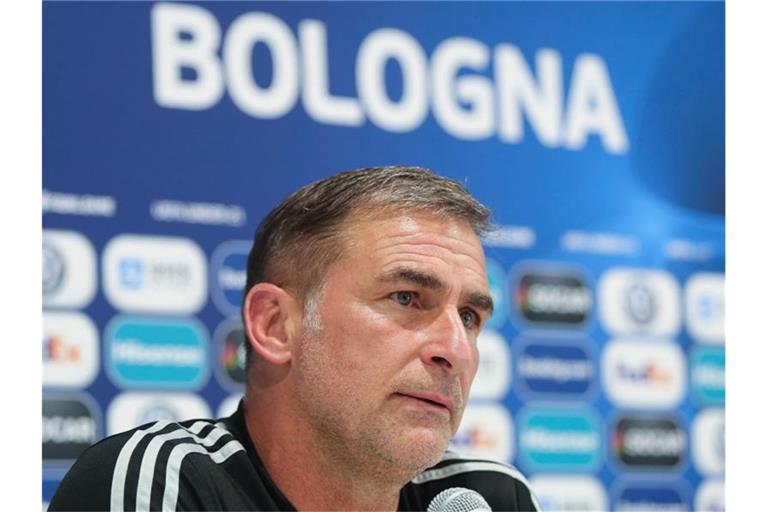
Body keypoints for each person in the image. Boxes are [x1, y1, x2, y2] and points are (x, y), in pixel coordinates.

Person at [49, 166, 540, 511]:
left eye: (470, 317)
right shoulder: (167, 485)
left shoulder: (489, 498)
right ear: (275, 325)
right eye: (407, 298)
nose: (455, 349)